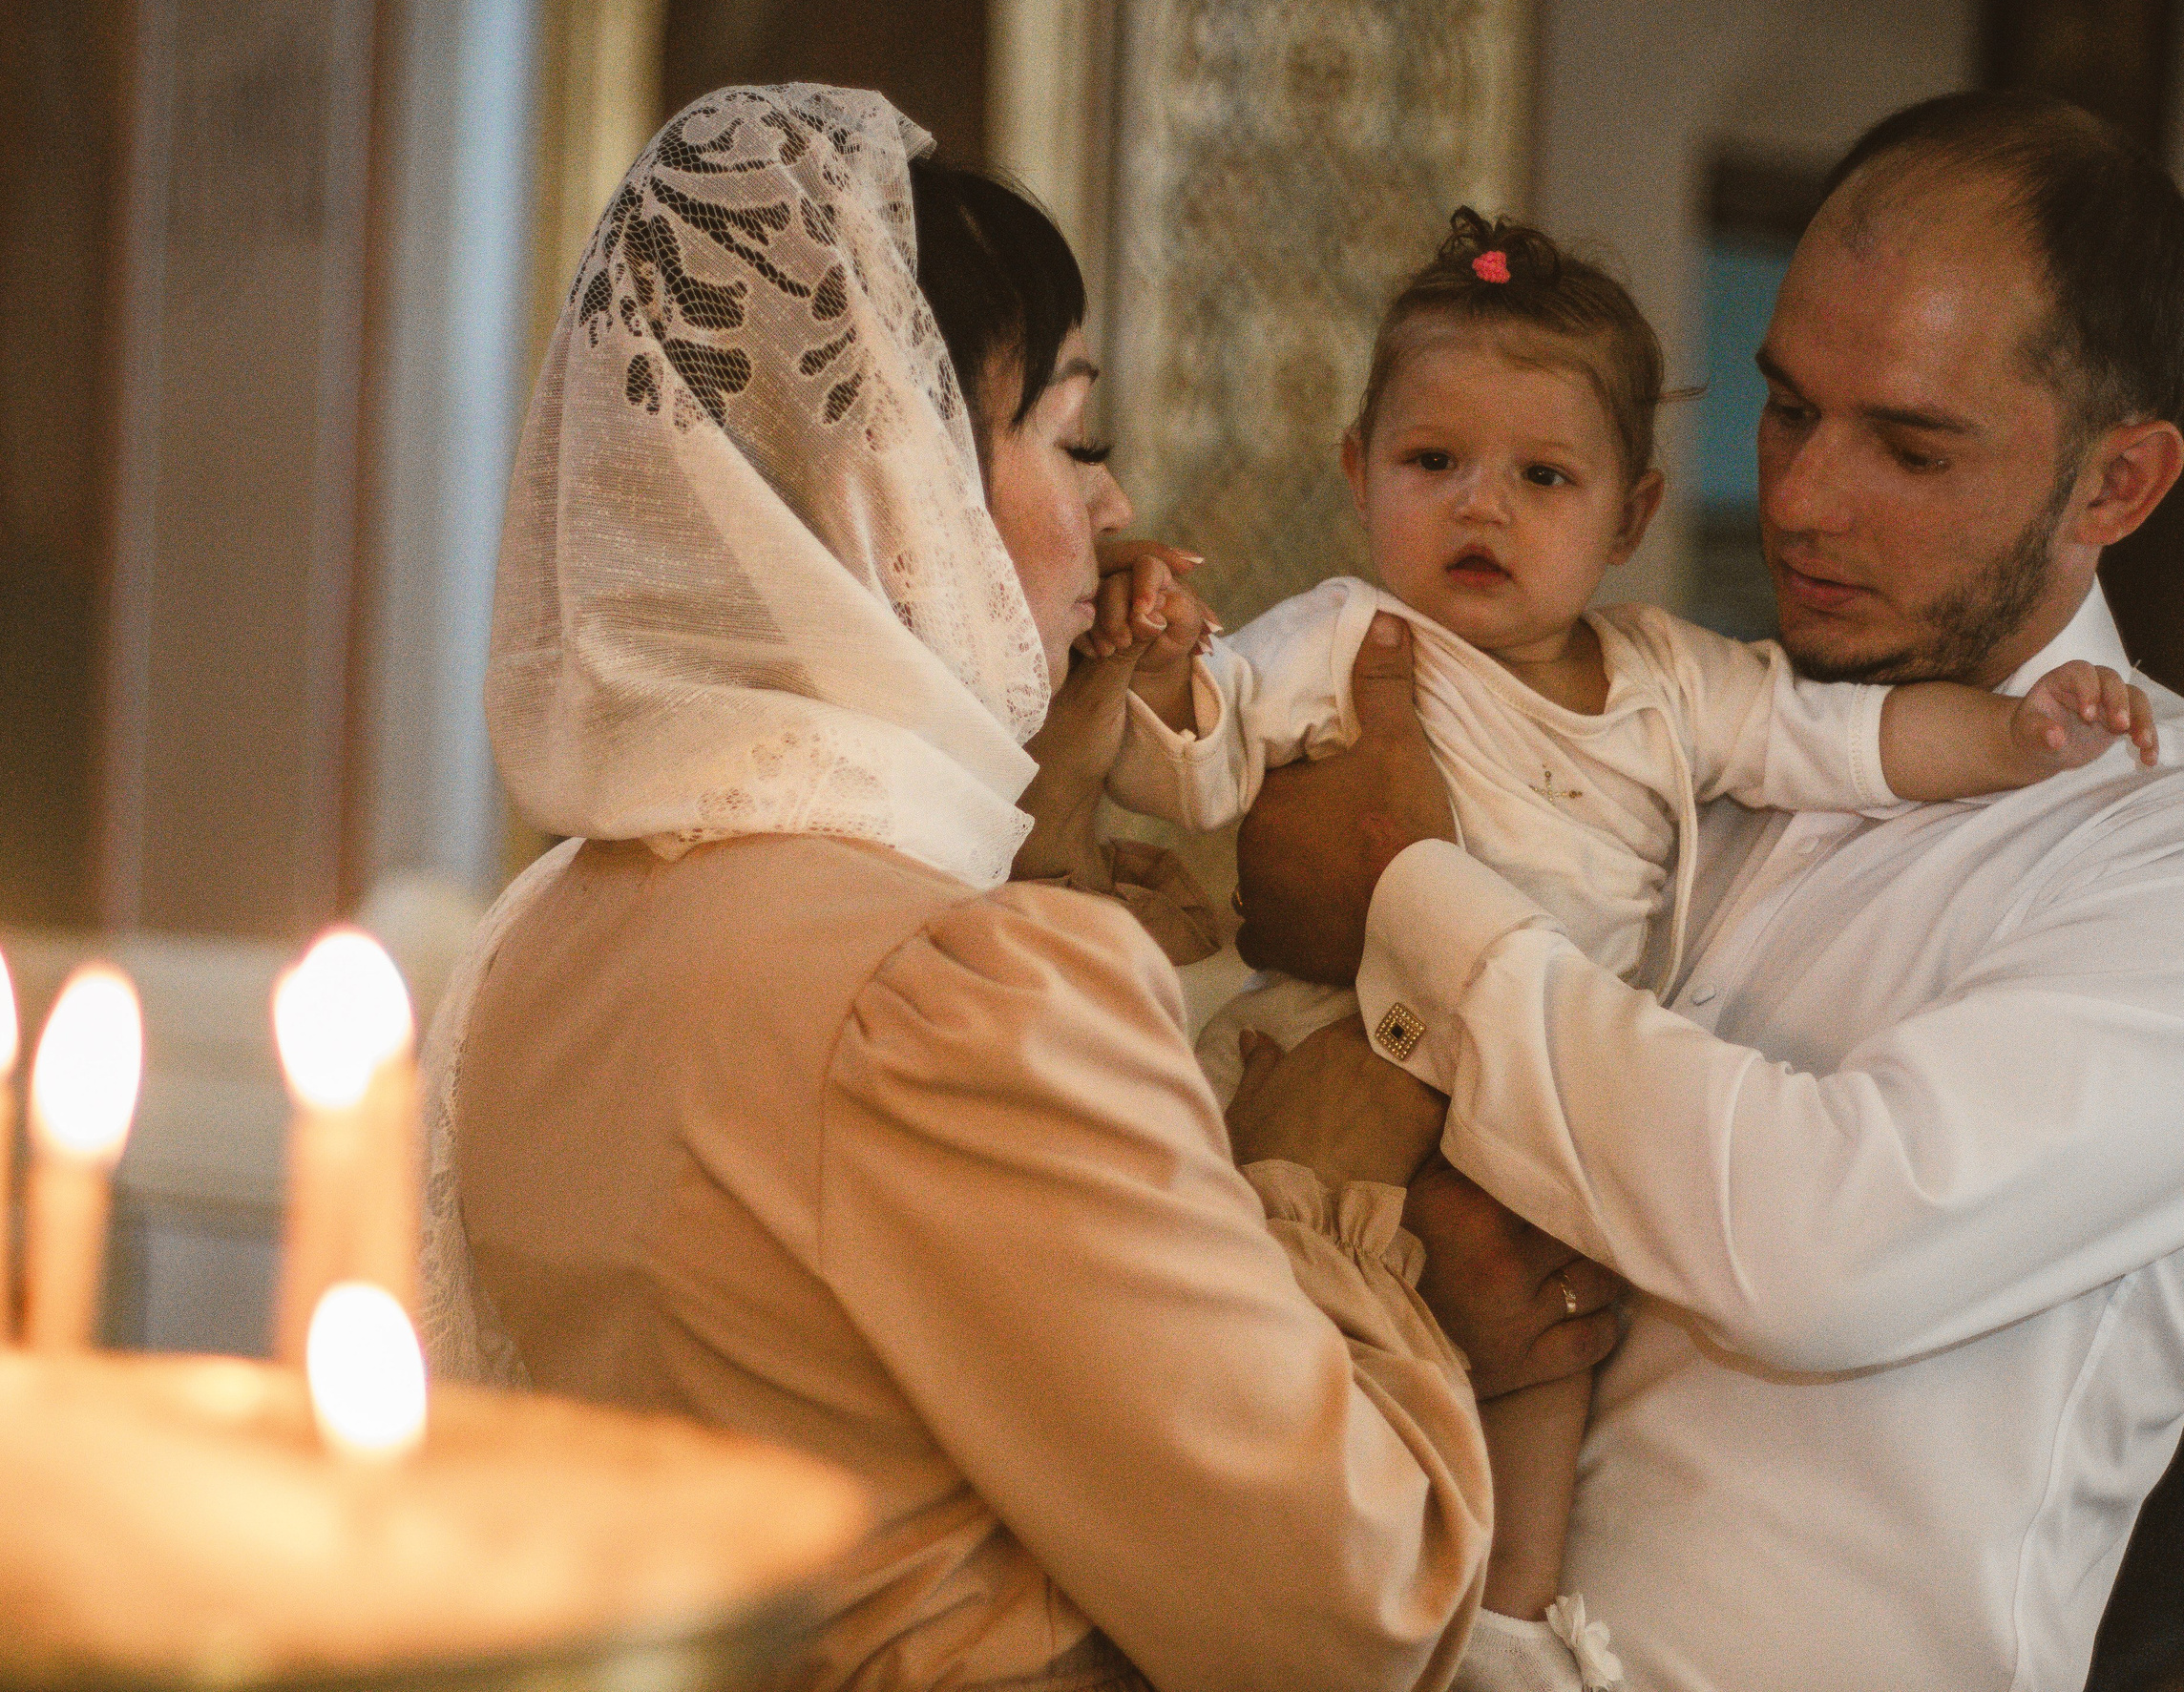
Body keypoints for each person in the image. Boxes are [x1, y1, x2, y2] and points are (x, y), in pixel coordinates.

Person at [413, 83, 1617, 1692]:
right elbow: (1362, 1607)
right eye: (1071, 435)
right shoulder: (956, 1000)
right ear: (883, 484)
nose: (1113, 507)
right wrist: (1323, 1188)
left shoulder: (546, 936)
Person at [1234, 90, 2184, 1691]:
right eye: (1788, 408)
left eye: (1907, 443)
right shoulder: (1668, 719)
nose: (1804, 498)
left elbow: (1819, 1246)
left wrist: (1404, 894)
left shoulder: (2151, 844)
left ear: (2117, 486)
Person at [1109, 206, 2153, 1107]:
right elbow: (1192, 758)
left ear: (1630, 516)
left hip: (1548, 1110)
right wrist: (1155, 660)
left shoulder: (1669, 676)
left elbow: (1855, 739)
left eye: (1544, 476)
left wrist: (2013, 733)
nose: (1480, 503)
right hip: (1320, 1064)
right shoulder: (1341, 637)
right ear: (1358, 471)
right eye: (1432, 460)